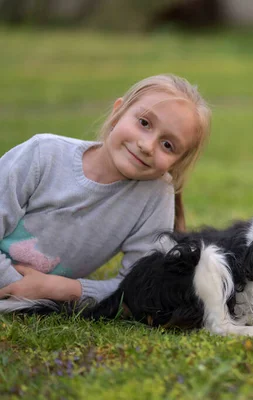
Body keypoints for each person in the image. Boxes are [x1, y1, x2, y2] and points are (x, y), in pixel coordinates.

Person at [0, 74, 211, 304]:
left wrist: (61, 289)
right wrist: (16, 286)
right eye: (144, 123)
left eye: (168, 145)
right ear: (117, 113)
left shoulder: (155, 196)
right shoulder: (42, 154)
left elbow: (140, 286)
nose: (147, 146)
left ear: (175, 163)